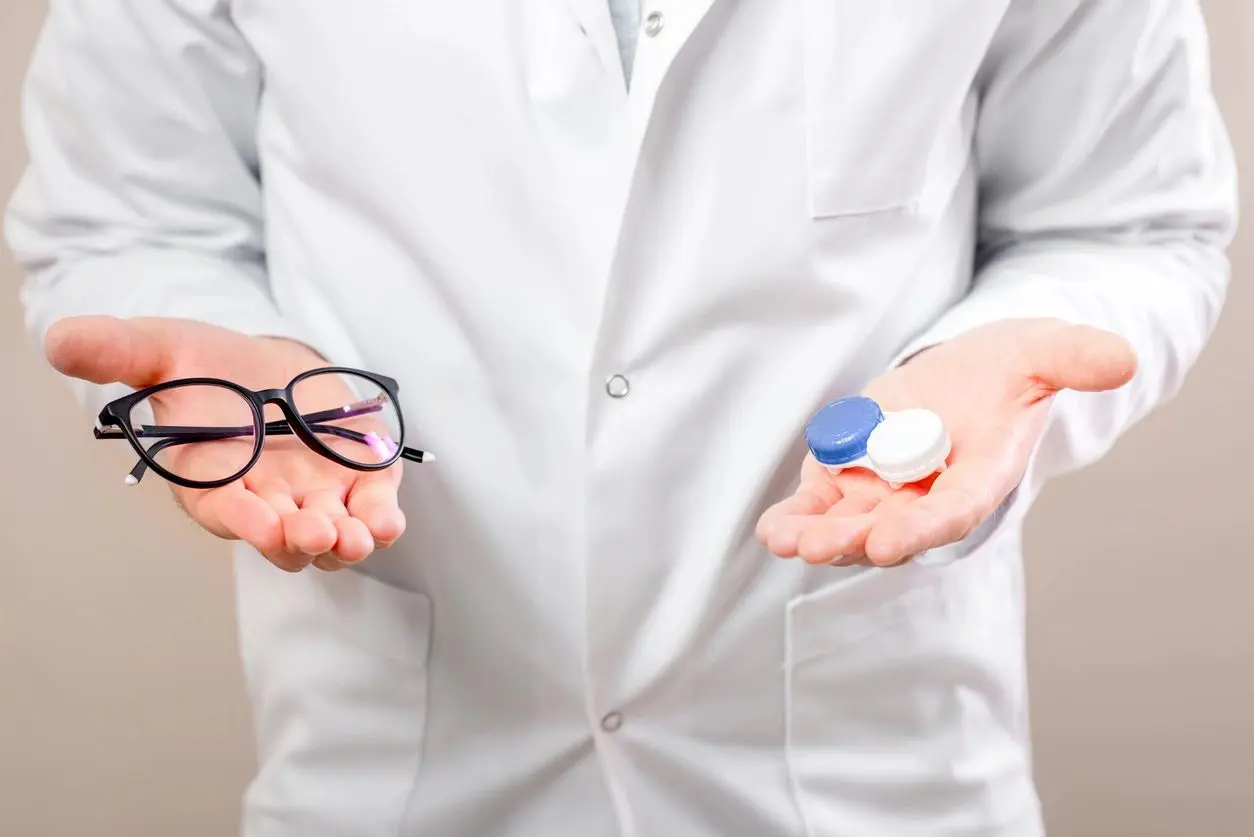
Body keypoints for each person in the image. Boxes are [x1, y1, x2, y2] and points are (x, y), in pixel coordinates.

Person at [5, 1, 1237, 835]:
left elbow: (1123, 224)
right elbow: (132, 220)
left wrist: (992, 359)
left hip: (870, 770)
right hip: (399, 770)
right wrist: (238, 372)